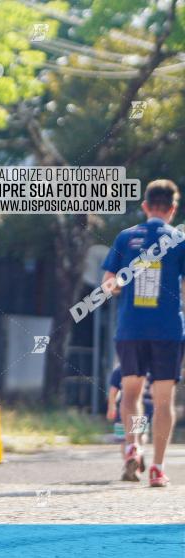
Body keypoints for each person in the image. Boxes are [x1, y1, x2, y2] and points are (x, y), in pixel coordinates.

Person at [101, 179, 183, 487]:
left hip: (131, 328)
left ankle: (133, 443)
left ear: (145, 206)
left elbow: (109, 285)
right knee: (163, 401)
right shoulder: (179, 240)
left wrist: (124, 284)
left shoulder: (125, 238)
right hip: (168, 331)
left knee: (131, 393)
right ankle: (158, 468)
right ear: (173, 209)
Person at [107, 365, 154, 450]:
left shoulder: (119, 370)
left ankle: (129, 457)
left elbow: (113, 391)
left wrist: (111, 407)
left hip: (124, 408)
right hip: (144, 408)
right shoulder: (150, 369)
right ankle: (139, 452)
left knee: (124, 438)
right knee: (140, 434)